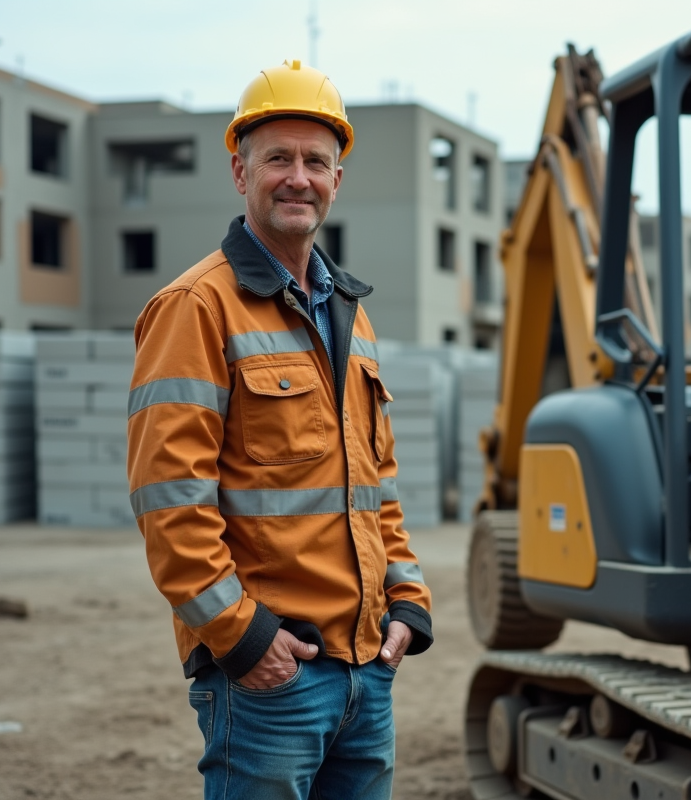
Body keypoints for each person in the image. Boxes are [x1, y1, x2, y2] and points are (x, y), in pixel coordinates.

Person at [126, 60, 433, 800]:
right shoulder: (196, 308)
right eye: (278, 159)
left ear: (337, 179)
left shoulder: (352, 317)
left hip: (367, 673)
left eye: (316, 162)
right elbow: (170, 499)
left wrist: (407, 596)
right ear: (240, 172)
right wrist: (240, 637)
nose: (299, 177)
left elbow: (374, 483)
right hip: (273, 679)